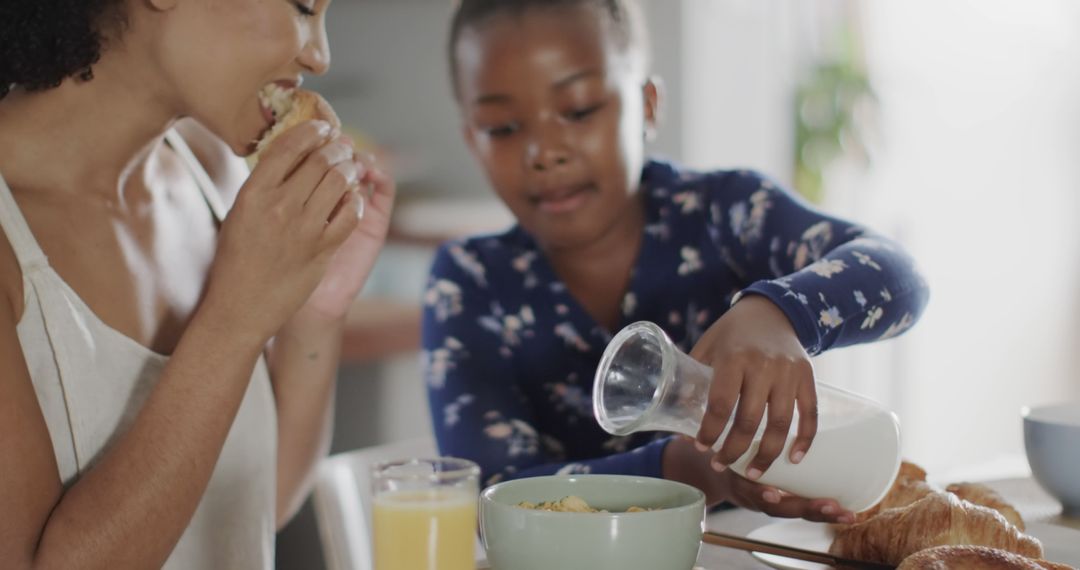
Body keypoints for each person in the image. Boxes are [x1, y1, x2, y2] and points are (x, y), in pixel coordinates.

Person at [424, 0, 929, 525]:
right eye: (503, 128)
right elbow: (490, 500)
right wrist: (696, 471)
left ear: (646, 105)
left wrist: (777, 313)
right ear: (472, 141)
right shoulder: (471, 281)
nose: (544, 151)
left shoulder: (724, 213)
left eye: (578, 110)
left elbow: (898, 275)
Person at [0, 0, 394, 567]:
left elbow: (257, 504)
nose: (319, 55)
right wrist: (235, 319)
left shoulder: (215, 174)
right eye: (303, 7)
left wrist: (315, 309)